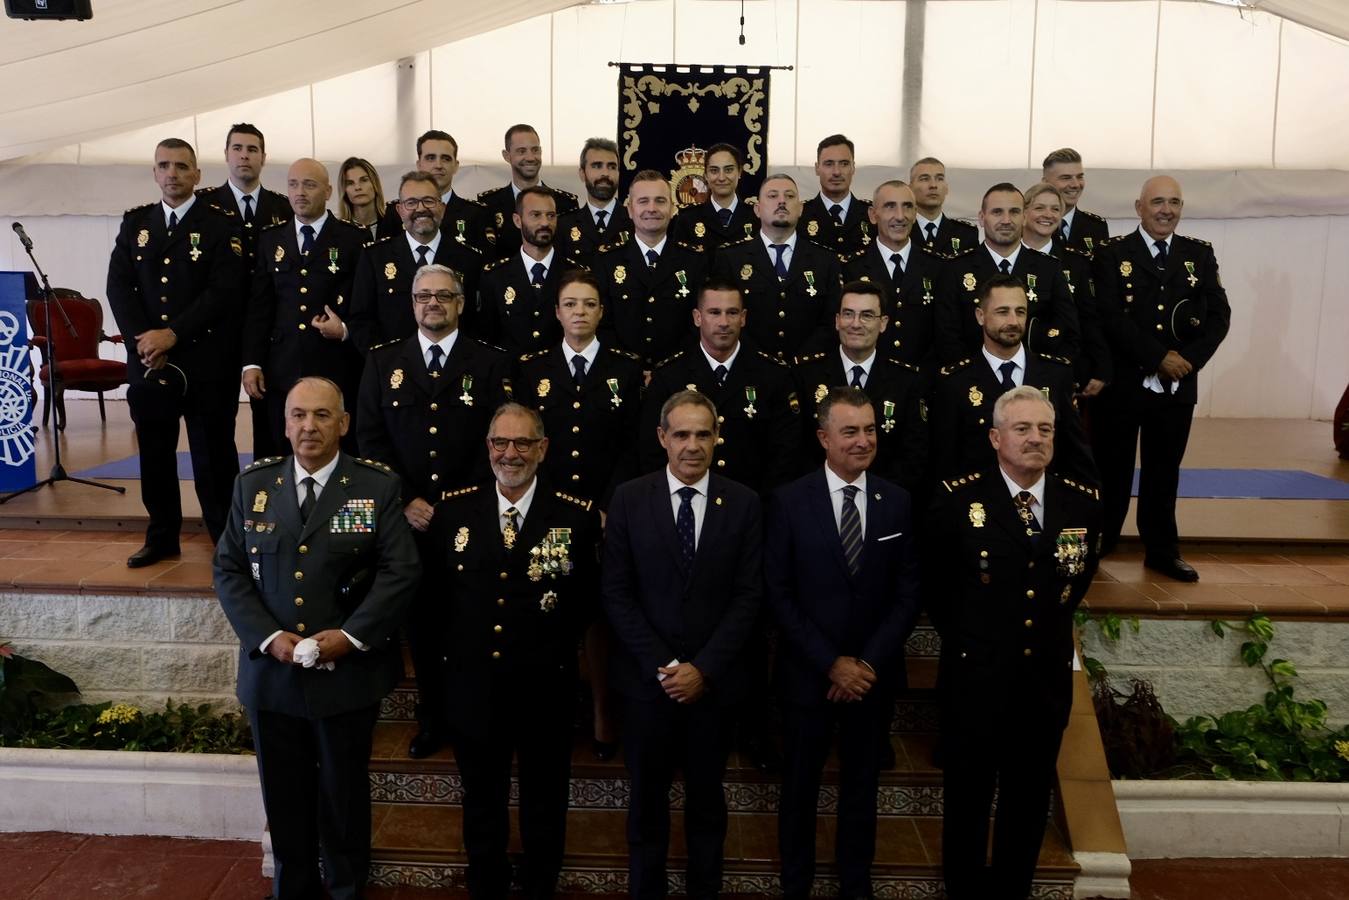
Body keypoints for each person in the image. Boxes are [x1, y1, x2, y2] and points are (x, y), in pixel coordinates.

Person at [213, 376, 420, 900]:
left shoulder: (376, 486)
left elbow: (401, 570)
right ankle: (294, 890)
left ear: (344, 424)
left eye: (322, 415)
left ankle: (348, 889)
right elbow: (229, 570)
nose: (309, 426)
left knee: (343, 798)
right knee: (283, 798)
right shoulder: (252, 486)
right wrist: (267, 638)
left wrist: (351, 636)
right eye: (299, 415)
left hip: (346, 676)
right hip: (272, 676)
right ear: (284, 424)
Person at [926, 385, 1102, 900]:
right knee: (968, 800)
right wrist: (975, 642)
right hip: (975, 678)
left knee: (1027, 803)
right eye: (1023, 429)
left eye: (1045, 429)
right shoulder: (959, 498)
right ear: (995, 437)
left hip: (1043, 682)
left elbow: (1076, 580)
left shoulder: (1080, 501)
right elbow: (939, 588)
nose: (1035, 439)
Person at [602, 390, 763, 900]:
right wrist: (668, 665)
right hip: (649, 687)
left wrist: (704, 669)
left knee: (707, 805)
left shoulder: (744, 502)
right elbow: (616, 593)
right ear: (662, 438)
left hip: (712, 690)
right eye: (682, 434)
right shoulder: (629, 498)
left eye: (703, 434)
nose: (692, 445)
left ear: (717, 437)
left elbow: (748, 596)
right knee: (646, 804)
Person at [437, 402, 601, 900]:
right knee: (481, 797)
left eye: (523, 443)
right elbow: (437, 602)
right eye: (500, 443)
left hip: (543, 686)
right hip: (474, 686)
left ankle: (539, 883)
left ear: (543, 448)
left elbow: (585, 602)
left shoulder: (576, 516)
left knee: (545, 798)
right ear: (487, 447)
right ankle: (486, 882)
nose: (511, 454)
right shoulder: (453, 511)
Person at [765, 388, 921, 900]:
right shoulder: (789, 500)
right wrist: (831, 663)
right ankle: (797, 883)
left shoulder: (896, 501)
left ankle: (856, 884)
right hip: (808, 674)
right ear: (823, 437)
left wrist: (865, 663)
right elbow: (779, 594)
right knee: (800, 788)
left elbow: (907, 595)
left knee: (861, 789)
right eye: (850, 431)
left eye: (870, 429)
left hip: (871, 679)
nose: (863, 441)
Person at [357, 263, 510, 758]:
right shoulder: (383, 362)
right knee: (421, 626)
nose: (433, 304)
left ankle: (473, 714)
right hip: (410, 520)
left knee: (472, 622)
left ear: (461, 303)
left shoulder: (489, 362)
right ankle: (431, 717)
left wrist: (459, 503)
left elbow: (500, 442)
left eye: (444, 296)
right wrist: (405, 499)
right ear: (412, 303)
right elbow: (370, 440)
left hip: (471, 518)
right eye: (424, 296)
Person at [517, 269, 644, 761]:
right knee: (548, 609)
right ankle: (551, 712)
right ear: (556, 312)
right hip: (547, 511)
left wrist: (610, 504)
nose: (579, 313)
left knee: (598, 617)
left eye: (589, 304)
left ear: (601, 312)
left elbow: (633, 445)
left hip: (605, 513)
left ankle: (602, 715)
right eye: (571, 304)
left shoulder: (625, 369)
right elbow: (526, 444)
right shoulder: (532, 368)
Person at [106, 137, 245, 567]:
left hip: (205, 364)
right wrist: (144, 341)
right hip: (150, 366)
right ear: (154, 173)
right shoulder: (136, 225)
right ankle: (162, 536)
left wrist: (172, 335)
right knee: (155, 454)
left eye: (182, 167)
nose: (172, 174)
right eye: (164, 166)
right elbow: (119, 288)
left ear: (197, 175)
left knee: (214, 458)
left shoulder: (221, 225)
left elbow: (224, 292)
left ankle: (225, 541)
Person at [1091, 176, 1230, 581]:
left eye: (1174, 202)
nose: (1166, 209)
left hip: (1177, 385)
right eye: (1157, 202)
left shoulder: (1198, 255)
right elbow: (1109, 315)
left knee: (1164, 469)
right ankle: (1103, 541)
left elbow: (1219, 317)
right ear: (1139, 207)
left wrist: (1186, 361)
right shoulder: (1112, 253)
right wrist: (1157, 358)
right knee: (1111, 468)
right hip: (1124, 383)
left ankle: (1162, 550)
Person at [245, 158, 367, 453]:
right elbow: (259, 307)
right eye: (293, 184)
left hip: (334, 365)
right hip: (280, 368)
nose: (300, 192)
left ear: (327, 191)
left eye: (309, 185)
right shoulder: (270, 239)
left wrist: (346, 330)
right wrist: (252, 363)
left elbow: (364, 303)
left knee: (338, 451)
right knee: (277, 452)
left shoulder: (354, 239)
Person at [929, 273, 1095, 485]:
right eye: (1002, 312)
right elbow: (944, 463)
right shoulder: (954, 382)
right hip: (979, 507)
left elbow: (1076, 455)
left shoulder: (1056, 374)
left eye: (1020, 312)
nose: (1013, 322)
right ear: (980, 316)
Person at [641, 278, 802, 495]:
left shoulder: (773, 376)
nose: (724, 322)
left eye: (732, 313)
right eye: (714, 312)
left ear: (743, 318)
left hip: (754, 505)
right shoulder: (669, 377)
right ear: (698, 318)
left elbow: (786, 454)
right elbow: (651, 451)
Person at [196, 123, 292, 458]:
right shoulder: (203, 206)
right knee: (215, 428)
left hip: (268, 334)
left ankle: (270, 500)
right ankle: (224, 508)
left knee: (270, 424)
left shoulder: (283, 208)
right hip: (215, 333)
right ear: (226, 155)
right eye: (237, 148)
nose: (244, 156)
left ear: (263, 157)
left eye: (252, 149)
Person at [793, 282, 928, 494]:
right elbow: (795, 449)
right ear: (837, 321)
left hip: (884, 501)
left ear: (883, 323)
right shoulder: (805, 375)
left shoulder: (907, 381)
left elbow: (914, 455)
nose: (855, 324)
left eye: (866, 315)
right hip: (817, 498)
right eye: (848, 314)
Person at [936, 183, 1079, 366]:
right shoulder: (955, 269)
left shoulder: (1048, 268)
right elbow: (946, 337)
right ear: (981, 218)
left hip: (1036, 381)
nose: (1006, 220)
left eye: (1014, 212)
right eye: (997, 212)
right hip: (973, 383)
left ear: (1024, 217)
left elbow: (1069, 332)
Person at [347, 170, 484, 351]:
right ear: (399, 210)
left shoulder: (469, 259)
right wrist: (386, 364)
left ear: (442, 208)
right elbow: (360, 321)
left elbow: (478, 324)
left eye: (428, 201)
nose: (420, 209)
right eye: (411, 203)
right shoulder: (375, 257)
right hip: (392, 372)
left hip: (454, 369)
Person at [711, 173, 842, 362]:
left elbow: (832, 320)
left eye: (789, 196)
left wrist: (802, 360)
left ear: (800, 208)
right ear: (757, 209)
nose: (782, 201)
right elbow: (724, 318)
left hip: (809, 368)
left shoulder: (825, 260)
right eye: (772, 196)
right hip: (749, 366)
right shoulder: (730, 258)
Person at [593, 170, 708, 369]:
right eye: (643, 201)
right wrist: (630, 369)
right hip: (621, 374)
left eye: (660, 201)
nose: (652, 208)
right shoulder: (607, 260)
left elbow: (698, 325)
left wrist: (668, 370)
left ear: (673, 208)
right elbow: (601, 324)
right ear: (629, 209)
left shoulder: (694, 261)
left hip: (678, 375)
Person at [842, 179, 946, 372]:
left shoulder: (938, 267)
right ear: (873, 215)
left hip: (922, 381)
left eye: (907, 207)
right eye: (890, 207)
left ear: (915, 214)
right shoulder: (850, 267)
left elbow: (944, 333)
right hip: (870, 378)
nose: (900, 216)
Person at [1021, 182, 1111, 398]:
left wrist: (1101, 367)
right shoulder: (1007, 257)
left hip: (1063, 364)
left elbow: (1089, 318)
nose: (1048, 215)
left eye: (1055, 209)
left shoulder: (1077, 263)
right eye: (1040, 207)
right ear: (1024, 213)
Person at [476, 186, 581, 356]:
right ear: (518, 220)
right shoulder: (495, 276)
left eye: (551, 215)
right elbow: (488, 339)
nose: (545, 223)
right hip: (511, 377)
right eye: (536, 215)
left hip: (560, 377)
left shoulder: (575, 274)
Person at [478, 124, 579, 251]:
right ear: (506, 155)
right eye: (522, 151)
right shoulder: (488, 204)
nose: (531, 157)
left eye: (535, 150)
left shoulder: (566, 203)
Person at [555, 137, 632, 269]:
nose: (605, 173)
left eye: (612, 167)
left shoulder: (635, 220)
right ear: (582, 174)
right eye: (597, 166)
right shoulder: (563, 226)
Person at [672, 142, 759, 252]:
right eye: (714, 170)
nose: (721, 177)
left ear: (740, 172)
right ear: (706, 176)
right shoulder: (687, 219)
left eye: (728, 170)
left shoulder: (756, 217)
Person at [416, 129, 493, 253]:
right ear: (419, 165)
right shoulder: (397, 214)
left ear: (456, 166)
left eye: (446, 159)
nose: (438, 165)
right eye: (431, 158)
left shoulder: (477, 214)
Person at [799, 134, 871, 259]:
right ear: (817, 168)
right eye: (829, 164)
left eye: (844, 164)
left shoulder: (872, 214)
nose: (837, 172)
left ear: (853, 167)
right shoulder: (799, 214)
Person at [1041, 148, 1109, 256]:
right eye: (1066, 178)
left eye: (1079, 177)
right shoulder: (1029, 224)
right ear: (1045, 183)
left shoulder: (1096, 226)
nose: (1075, 184)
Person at [909, 157, 978, 255]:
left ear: (946, 188)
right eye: (924, 179)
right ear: (910, 188)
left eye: (939, 179)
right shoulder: (900, 231)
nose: (933, 185)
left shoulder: (966, 233)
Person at [338, 156, 399, 241]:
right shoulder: (337, 231)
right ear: (344, 190)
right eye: (350, 183)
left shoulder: (396, 222)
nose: (358, 187)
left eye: (364, 180)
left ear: (375, 184)